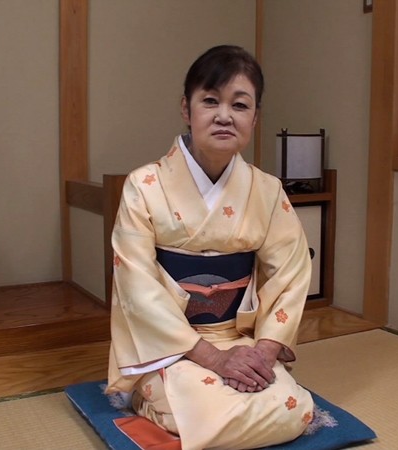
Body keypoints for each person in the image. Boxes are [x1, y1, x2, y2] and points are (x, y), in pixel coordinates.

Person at [106, 44, 314, 449]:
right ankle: (161, 398)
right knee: (200, 409)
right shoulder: (143, 186)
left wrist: (264, 352)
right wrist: (213, 358)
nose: (224, 116)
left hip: (239, 340)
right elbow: (136, 285)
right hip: (171, 345)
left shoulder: (267, 190)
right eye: (210, 101)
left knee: (294, 409)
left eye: (240, 105)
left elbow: (291, 273)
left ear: (255, 117)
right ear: (187, 109)